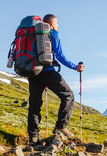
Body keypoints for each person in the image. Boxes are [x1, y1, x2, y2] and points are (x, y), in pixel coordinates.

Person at [28, 14, 84, 146]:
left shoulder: (32, 34)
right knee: (68, 95)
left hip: (33, 72)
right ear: (52, 23)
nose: (58, 25)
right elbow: (59, 55)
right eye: (57, 23)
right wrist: (75, 67)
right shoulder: (53, 34)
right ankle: (60, 127)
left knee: (35, 104)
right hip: (47, 71)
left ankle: (33, 138)